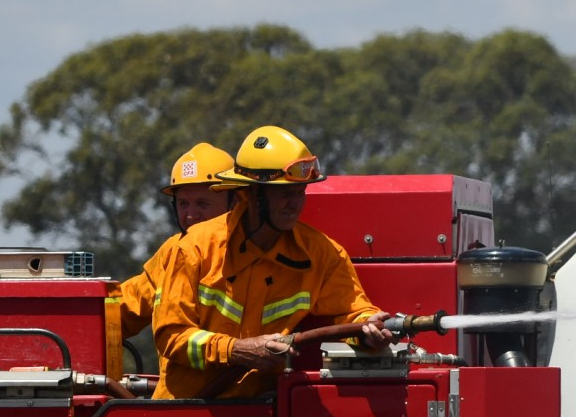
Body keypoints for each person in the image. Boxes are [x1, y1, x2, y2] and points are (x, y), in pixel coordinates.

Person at [152, 125, 393, 400]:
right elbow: (171, 336)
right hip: (184, 416)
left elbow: (354, 314)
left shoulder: (321, 254)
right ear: (249, 194)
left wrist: (369, 329)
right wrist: (235, 350)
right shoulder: (194, 249)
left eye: (299, 192)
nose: (295, 204)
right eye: (283, 194)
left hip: (259, 414)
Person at [108, 142, 238, 346]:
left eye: (202, 204)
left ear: (234, 202)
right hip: (180, 377)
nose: (191, 215)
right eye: (183, 203)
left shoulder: (247, 251)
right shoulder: (174, 251)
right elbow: (125, 306)